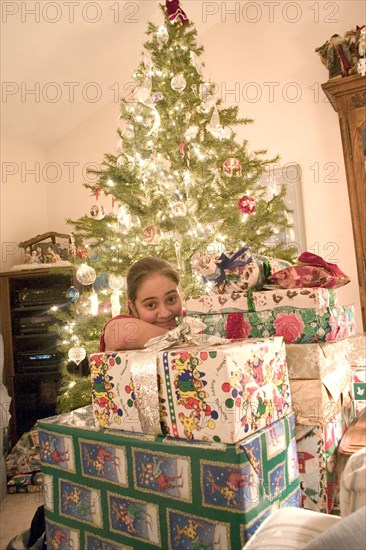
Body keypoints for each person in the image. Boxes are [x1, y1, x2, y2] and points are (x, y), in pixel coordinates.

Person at [100, 257, 183, 351]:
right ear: (133, 308)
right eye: (151, 305)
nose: (165, 313)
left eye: (171, 299)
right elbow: (119, 337)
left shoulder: (191, 320)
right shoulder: (123, 324)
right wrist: (184, 339)